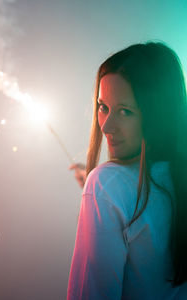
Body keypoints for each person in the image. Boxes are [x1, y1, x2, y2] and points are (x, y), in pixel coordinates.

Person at [67, 41, 187, 299]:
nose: (107, 126)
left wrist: (100, 193)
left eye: (125, 111)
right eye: (103, 107)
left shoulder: (105, 185)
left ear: (158, 115)